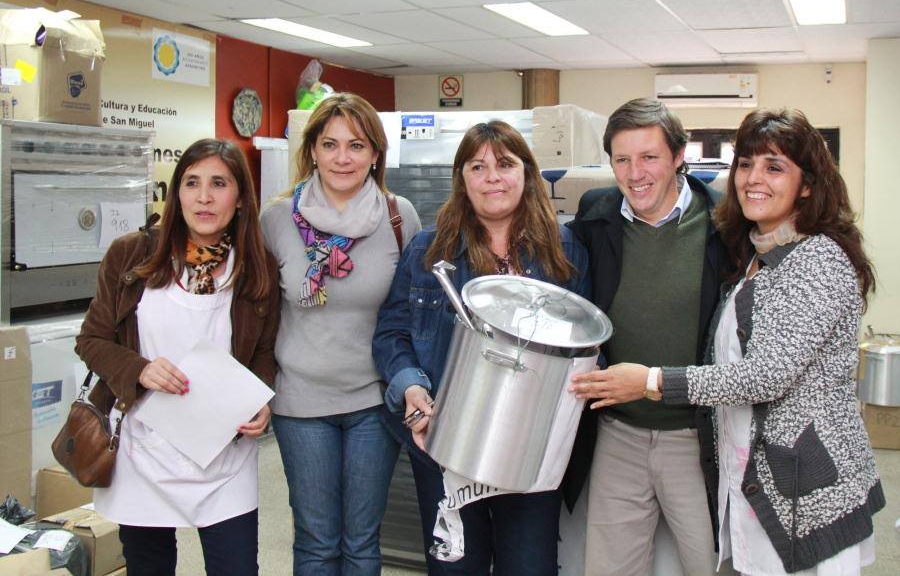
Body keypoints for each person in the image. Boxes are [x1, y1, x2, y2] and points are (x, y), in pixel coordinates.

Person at [571, 108, 884, 575]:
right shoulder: (760, 251)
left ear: (808, 184)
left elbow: (765, 376)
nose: (754, 179)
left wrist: (651, 381)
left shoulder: (812, 258)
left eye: (774, 167)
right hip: (723, 452)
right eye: (745, 165)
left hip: (797, 478)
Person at [372, 120, 590, 575]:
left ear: (526, 174)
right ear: (462, 178)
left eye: (506, 164)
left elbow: (588, 346)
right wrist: (412, 390)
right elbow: (392, 335)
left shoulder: (565, 250)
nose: (493, 177)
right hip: (446, 442)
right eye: (478, 166)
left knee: (529, 566)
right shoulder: (428, 252)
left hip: (530, 450)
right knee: (456, 567)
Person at [75, 138, 280, 576]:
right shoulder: (131, 255)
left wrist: (262, 401)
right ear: (177, 193)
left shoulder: (258, 265)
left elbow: (264, 351)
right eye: (191, 183)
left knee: (237, 567)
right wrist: (140, 369)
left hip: (224, 456)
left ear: (240, 197)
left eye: (218, 183)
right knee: (149, 567)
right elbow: (91, 339)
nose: (204, 197)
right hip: (141, 451)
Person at [563, 97, 728, 575]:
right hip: (620, 433)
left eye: (649, 157)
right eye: (622, 159)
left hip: (695, 436)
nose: (635, 173)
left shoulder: (722, 225)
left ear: (679, 157)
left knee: (712, 563)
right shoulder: (597, 215)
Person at [260, 92, 421, 575]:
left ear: (375, 153)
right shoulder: (277, 220)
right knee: (315, 542)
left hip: (374, 403)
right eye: (330, 145)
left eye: (356, 145)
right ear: (311, 150)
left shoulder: (399, 217)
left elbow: (414, 313)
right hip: (300, 403)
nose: (342, 158)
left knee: (361, 543)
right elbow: (258, 313)